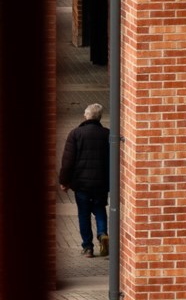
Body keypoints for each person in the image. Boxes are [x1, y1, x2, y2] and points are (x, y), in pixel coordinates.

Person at [57, 104, 112, 257]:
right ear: (99, 117)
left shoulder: (75, 134)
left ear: (85, 116)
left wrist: (64, 181)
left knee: (84, 214)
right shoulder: (107, 134)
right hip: (101, 183)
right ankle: (102, 234)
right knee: (100, 209)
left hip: (81, 184)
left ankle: (88, 247)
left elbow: (68, 161)